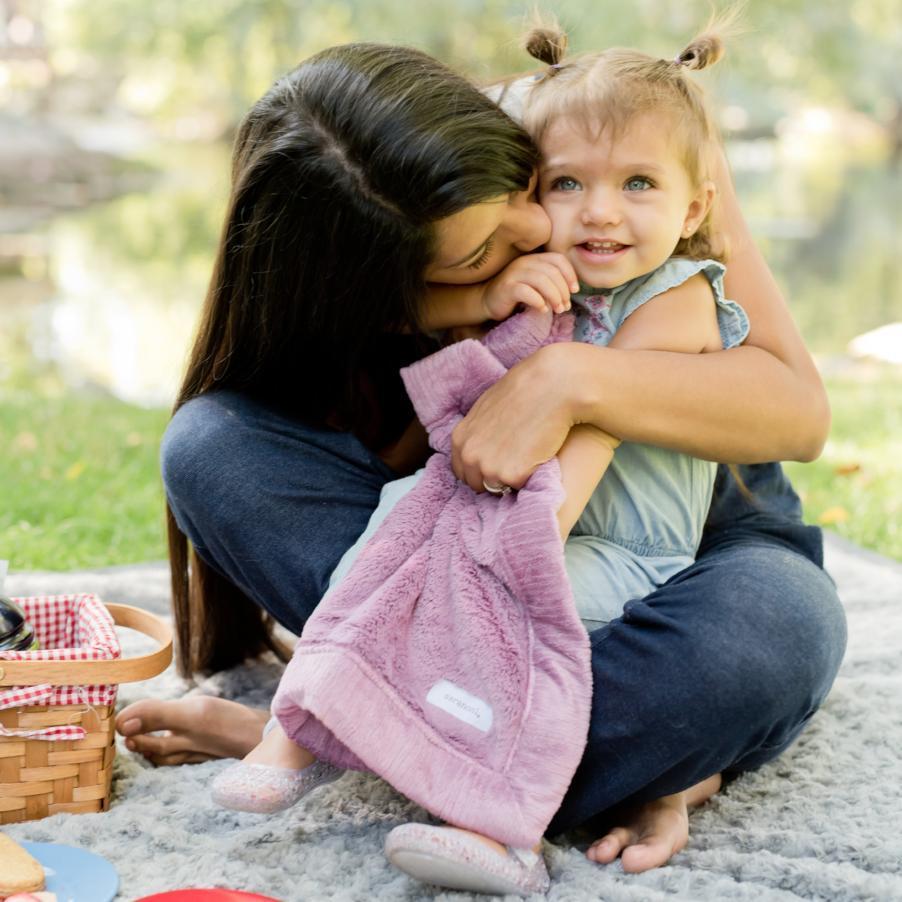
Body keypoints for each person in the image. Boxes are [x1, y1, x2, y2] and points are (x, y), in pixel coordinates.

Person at [115, 36, 846, 889]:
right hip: (457, 510)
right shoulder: (365, 280)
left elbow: (799, 413)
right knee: (212, 447)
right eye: (471, 257)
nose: (553, 225)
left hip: (694, 536)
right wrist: (464, 317)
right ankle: (561, 759)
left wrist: (577, 380)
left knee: (770, 633)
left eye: (520, 192)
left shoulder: (613, 128)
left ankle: (358, 730)